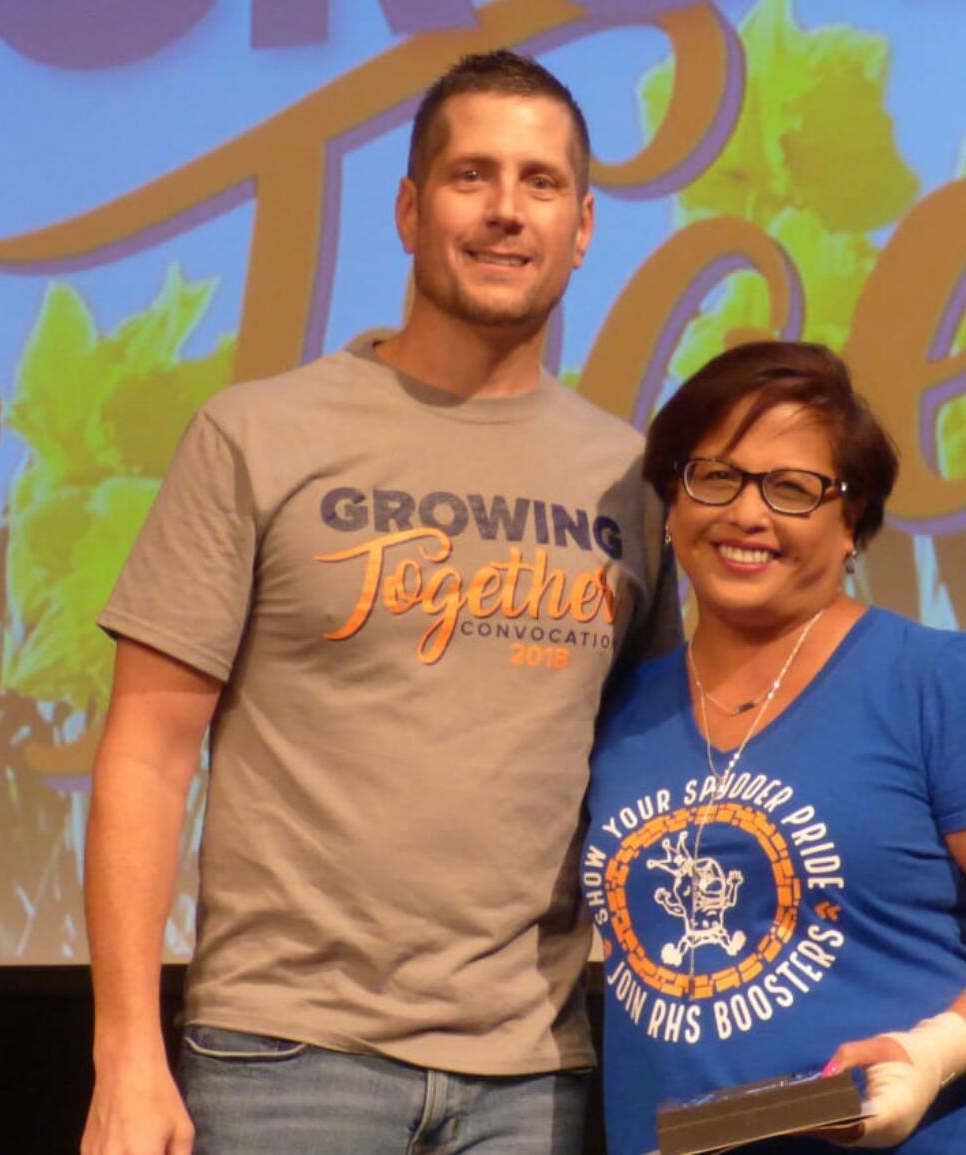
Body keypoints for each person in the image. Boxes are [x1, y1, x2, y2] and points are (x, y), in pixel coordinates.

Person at [81, 50, 679, 1155]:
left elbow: (656, 763)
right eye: (471, 177)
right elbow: (146, 756)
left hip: (533, 1070)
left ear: (583, 225)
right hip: (286, 1057)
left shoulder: (629, 479)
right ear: (409, 209)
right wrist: (124, 1053)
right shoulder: (259, 435)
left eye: (540, 184)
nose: (506, 212)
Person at [582, 340, 966, 1154]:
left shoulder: (934, 681)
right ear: (673, 502)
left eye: (792, 489)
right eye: (714, 476)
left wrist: (930, 1054)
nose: (746, 515)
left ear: (850, 520)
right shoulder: (621, 710)